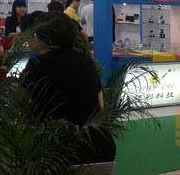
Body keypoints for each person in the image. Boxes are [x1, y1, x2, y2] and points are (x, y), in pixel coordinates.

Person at [21, 11, 115, 165]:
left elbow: (21, 102)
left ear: (41, 36)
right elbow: (101, 104)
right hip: (96, 145)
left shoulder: (37, 64)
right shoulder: (86, 61)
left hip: (56, 149)